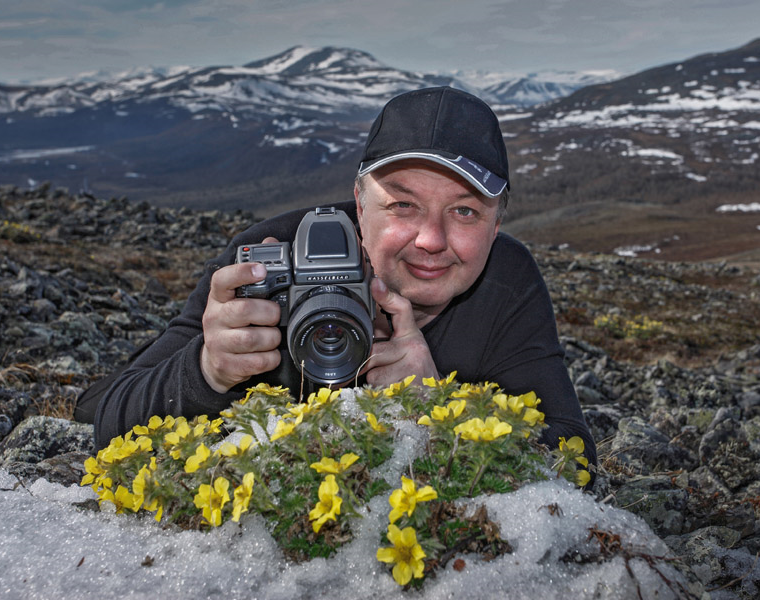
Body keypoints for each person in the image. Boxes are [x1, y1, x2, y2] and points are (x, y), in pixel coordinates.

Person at [85, 86, 597, 470]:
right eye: (402, 205)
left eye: (465, 212)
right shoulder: (271, 255)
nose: (431, 240)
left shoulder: (505, 282)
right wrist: (207, 372)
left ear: (497, 223)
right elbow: (96, 415)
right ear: (358, 203)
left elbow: (576, 458)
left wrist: (440, 408)